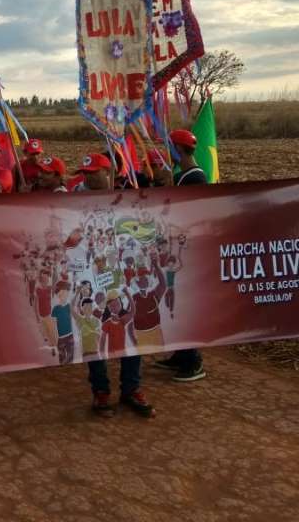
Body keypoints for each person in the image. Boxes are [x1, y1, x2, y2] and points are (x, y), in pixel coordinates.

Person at [74, 157, 154, 418]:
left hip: (123, 280)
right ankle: (100, 391)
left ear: (108, 173)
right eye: (84, 173)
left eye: (92, 173)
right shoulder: (74, 200)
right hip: (92, 280)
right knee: (95, 336)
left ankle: (131, 388)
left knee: (130, 335)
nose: (86, 178)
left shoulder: (126, 198)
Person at [154, 129, 207, 383]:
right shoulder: (183, 176)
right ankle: (181, 354)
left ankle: (193, 360)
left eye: (170, 147)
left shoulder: (194, 178)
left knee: (182, 305)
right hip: (175, 248)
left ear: (178, 149)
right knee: (173, 303)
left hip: (183, 250)